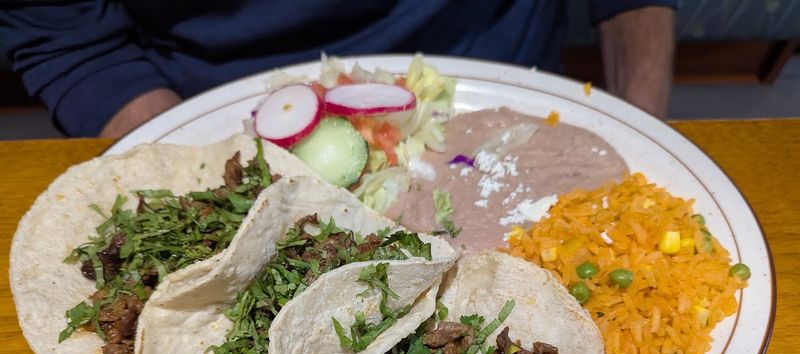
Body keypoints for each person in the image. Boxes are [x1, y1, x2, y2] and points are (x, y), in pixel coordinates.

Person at [0, 1, 677, 138]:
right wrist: (203, 178)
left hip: (509, 77)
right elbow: (68, 37)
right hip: (222, 112)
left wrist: (645, 141)